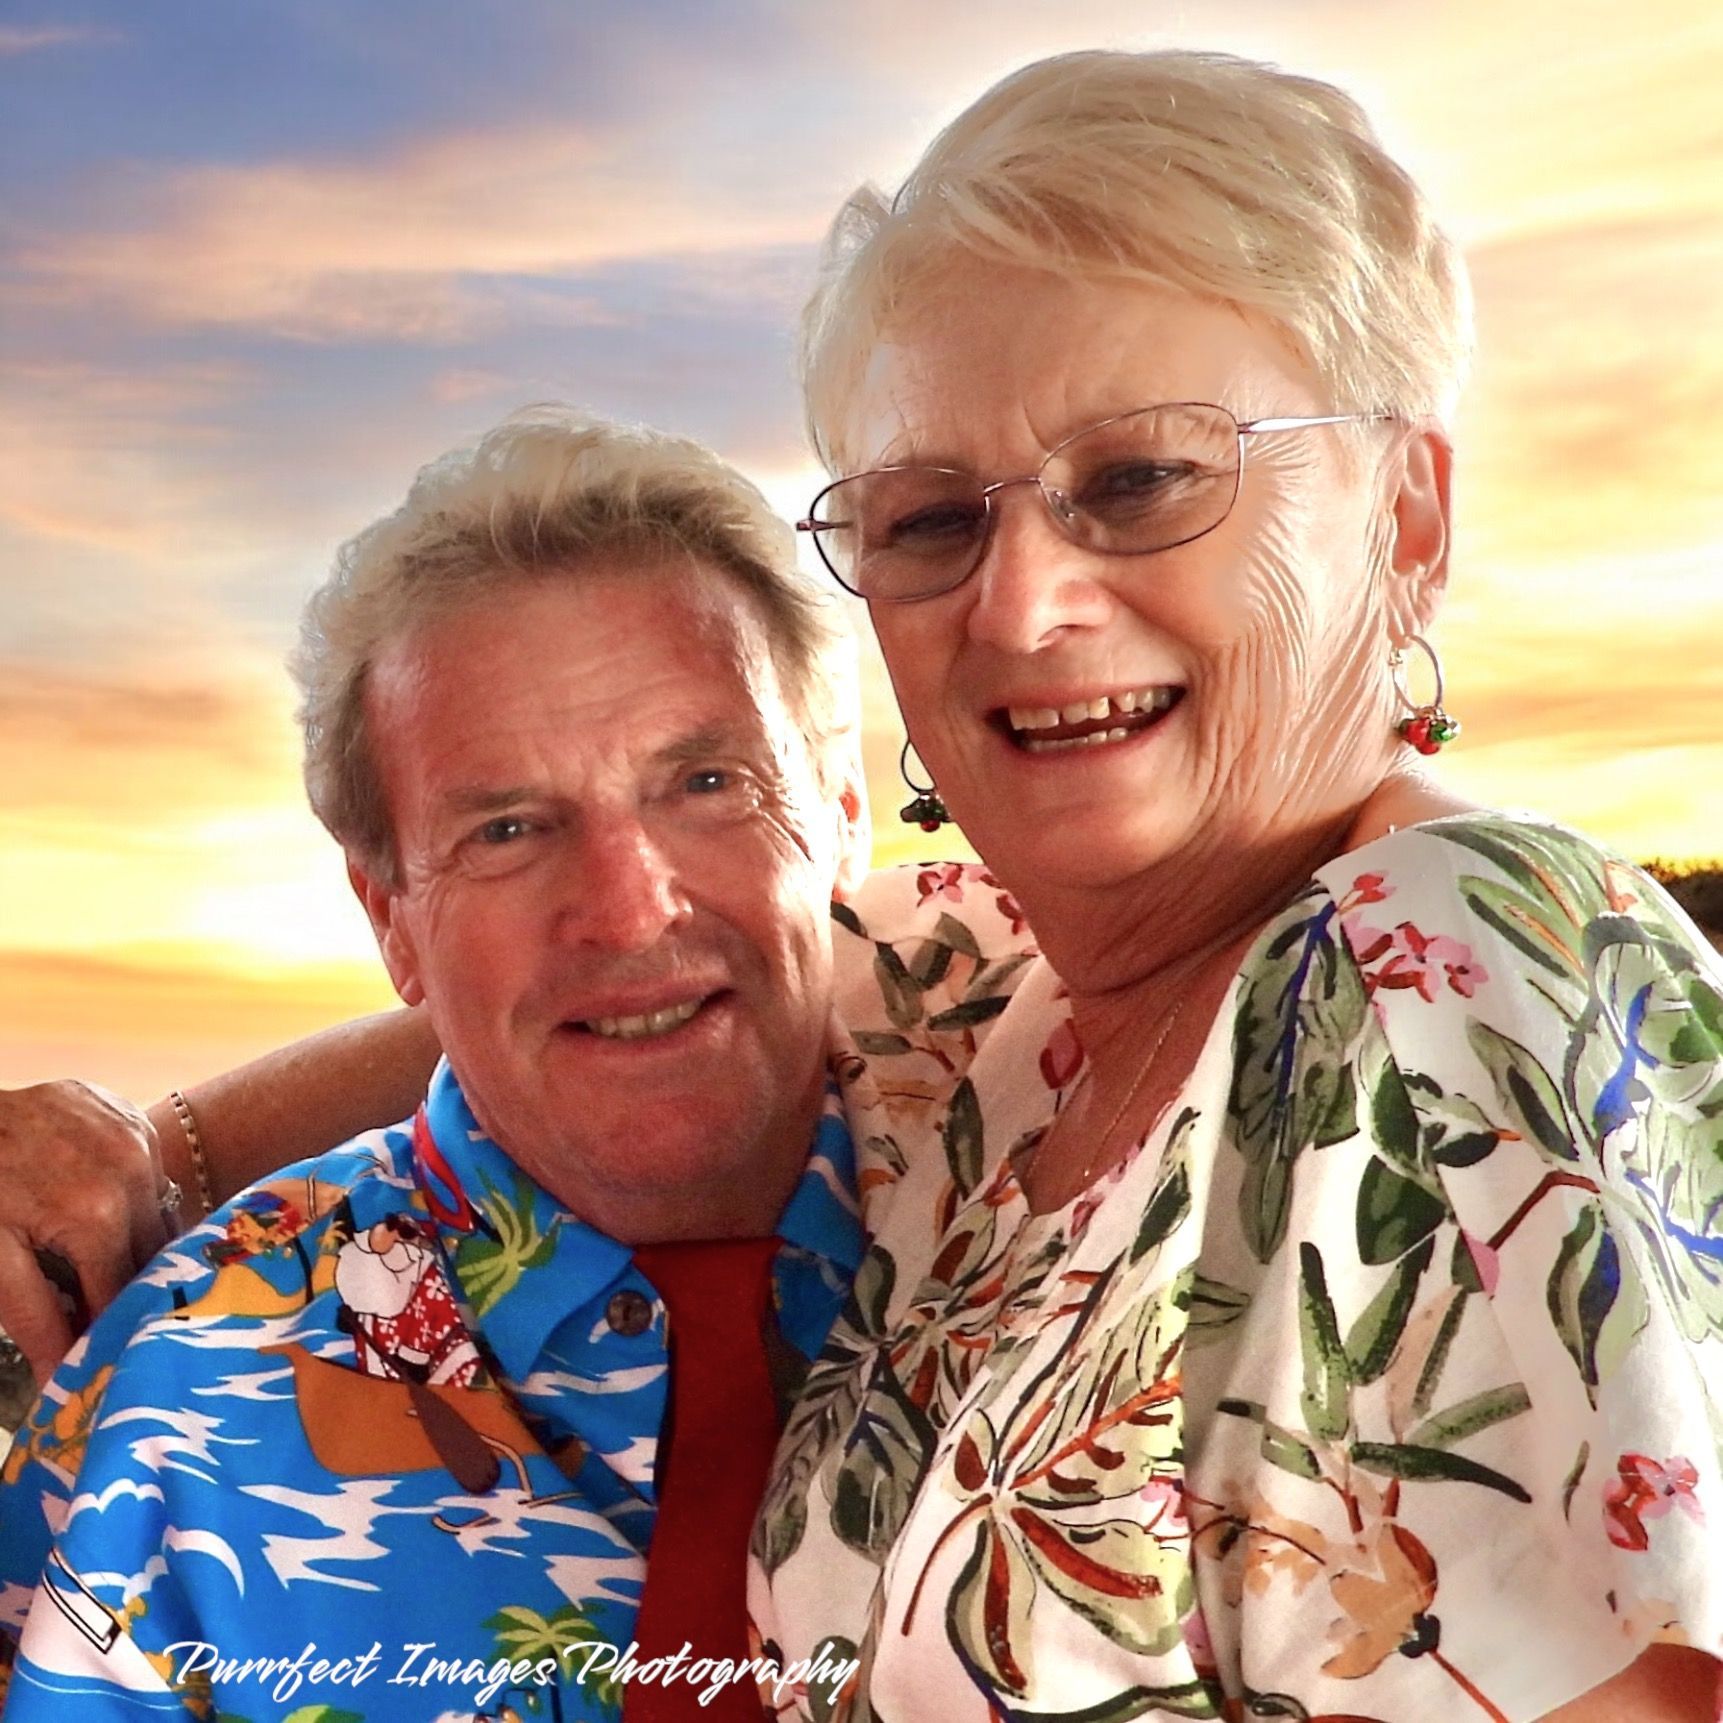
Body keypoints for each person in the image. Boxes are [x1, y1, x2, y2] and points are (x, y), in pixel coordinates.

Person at [5, 45, 1721, 1723]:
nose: (1026, 599)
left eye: (1142, 478)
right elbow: (643, 986)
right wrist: (154, 1155)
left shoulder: (1472, 973)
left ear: (1407, 518)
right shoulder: (1011, 1010)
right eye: (928, 519)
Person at [0, 413, 873, 1720]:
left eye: (704, 780)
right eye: (510, 829)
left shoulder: (1072, 1220)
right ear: (390, 918)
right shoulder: (160, 1419)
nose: (630, 911)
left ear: (844, 814)